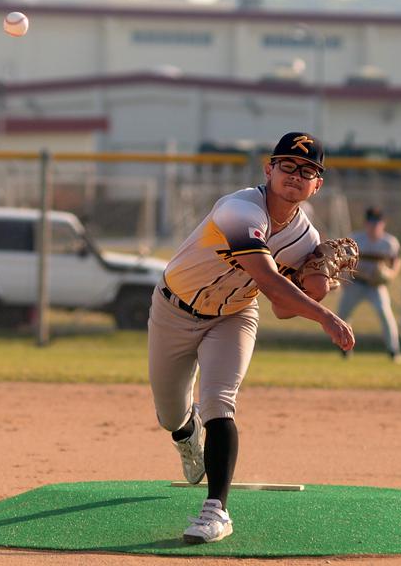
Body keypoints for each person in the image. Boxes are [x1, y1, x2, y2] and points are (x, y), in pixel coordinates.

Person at [147, 131, 354, 544]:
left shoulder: (305, 239)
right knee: (170, 411)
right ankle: (186, 434)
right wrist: (325, 315)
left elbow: (280, 307)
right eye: (288, 166)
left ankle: (215, 511)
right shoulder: (240, 209)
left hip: (235, 316)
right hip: (173, 308)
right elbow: (268, 280)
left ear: (318, 184)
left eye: (308, 170)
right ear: (269, 169)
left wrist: (315, 288)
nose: (296, 175)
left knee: (219, 401)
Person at [336, 207, 401, 363]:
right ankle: (345, 348)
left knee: (385, 314)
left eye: (377, 223)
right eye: (371, 222)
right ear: (366, 223)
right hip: (355, 284)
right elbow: (342, 261)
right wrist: (343, 278)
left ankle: (393, 351)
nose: (374, 226)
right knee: (342, 316)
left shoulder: (389, 242)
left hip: (375, 286)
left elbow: (396, 263)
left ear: (383, 224)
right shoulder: (355, 239)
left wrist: (390, 275)